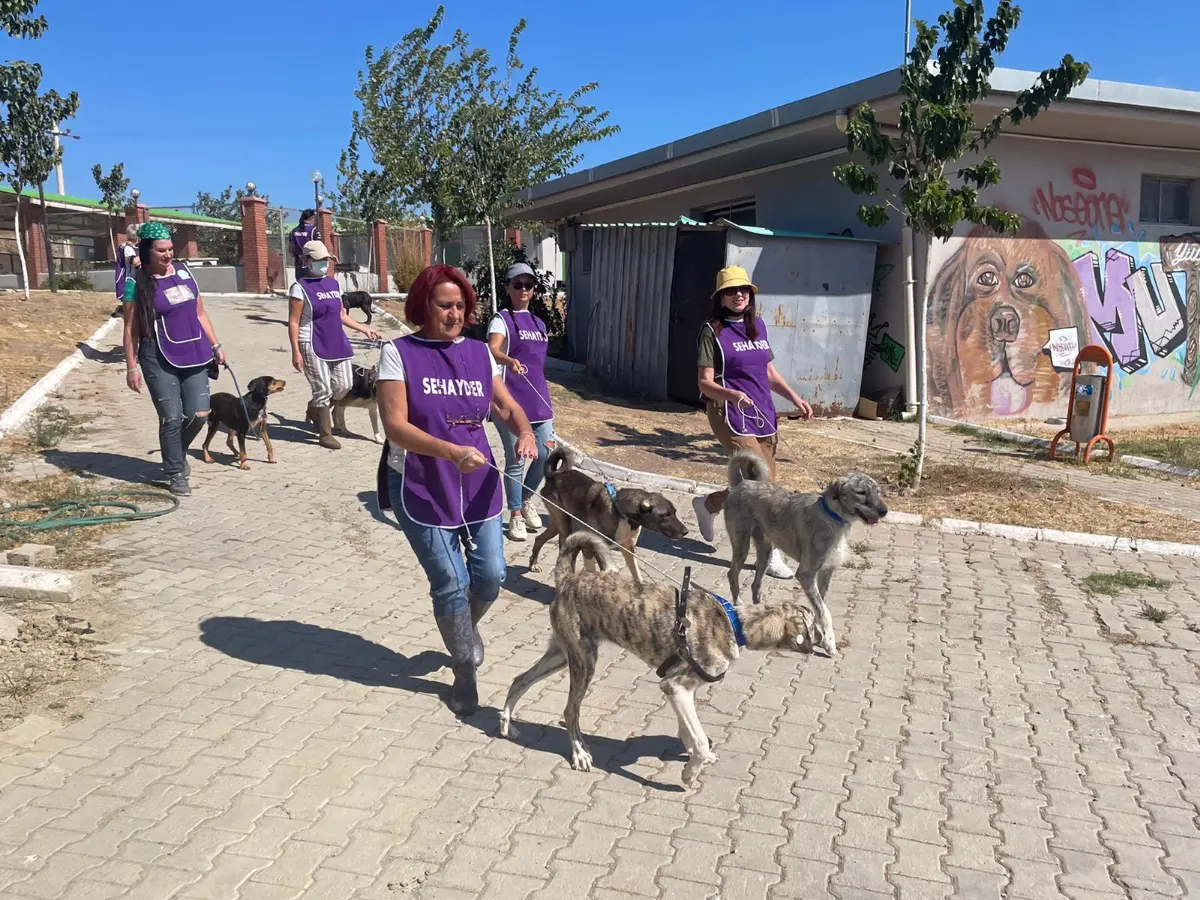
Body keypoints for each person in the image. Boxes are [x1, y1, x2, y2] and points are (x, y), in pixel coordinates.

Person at [376, 264, 537, 715]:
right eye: (444, 305)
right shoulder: (399, 353)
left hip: (478, 479)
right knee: (450, 581)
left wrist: (524, 431)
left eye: (460, 306)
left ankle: (463, 628)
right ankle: (464, 666)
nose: (453, 313)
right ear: (423, 305)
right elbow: (395, 426)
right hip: (421, 480)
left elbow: (504, 407)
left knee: (490, 575)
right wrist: (448, 452)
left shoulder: (480, 354)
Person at [691, 265, 813, 579]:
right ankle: (768, 556)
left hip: (763, 412)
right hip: (729, 414)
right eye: (731, 291)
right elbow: (704, 383)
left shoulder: (757, 325)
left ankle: (709, 505)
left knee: (757, 485)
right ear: (721, 297)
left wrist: (794, 398)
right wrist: (731, 394)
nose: (739, 295)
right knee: (765, 487)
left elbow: (769, 373)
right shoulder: (712, 332)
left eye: (744, 290)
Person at [122, 221, 227, 496]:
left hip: (195, 353)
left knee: (200, 414)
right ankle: (176, 471)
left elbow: (200, 313)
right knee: (171, 418)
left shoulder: (185, 272)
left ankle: (174, 454)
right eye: (161, 251)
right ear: (146, 252)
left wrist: (216, 345)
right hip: (156, 355)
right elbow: (129, 329)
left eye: (170, 249)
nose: (168, 255)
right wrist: (131, 366)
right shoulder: (136, 283)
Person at [486, 262, 556, 541]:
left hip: (540, 401)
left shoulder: (539, 323)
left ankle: (526, 501)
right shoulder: (501, 319)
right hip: (511, 402)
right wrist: (509, 359)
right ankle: (514, 514)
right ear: (508, 288)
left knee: (545, 455)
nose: (524, 289)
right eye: (518, 285)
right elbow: (492, 349)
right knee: (517, 459)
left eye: (529, 285)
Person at [287, 240, 381, 450]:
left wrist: (363, 328)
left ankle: (314, 408)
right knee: (322, 388)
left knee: (343, 385)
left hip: (336, 341)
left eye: (326, 260)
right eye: (320, 260)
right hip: (311, 342)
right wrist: (296, 351)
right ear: (307, 261)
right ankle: (325, 433)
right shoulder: (299, 288)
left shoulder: (333, 284)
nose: (324, 264)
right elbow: (293, 321)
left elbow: (341, 315)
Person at [111, 223, 140, 317]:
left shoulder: (134, 247)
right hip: (131, 279)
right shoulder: (127, 248)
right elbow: (134, 261)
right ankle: (123, 310)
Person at [289, 209, 320, 281]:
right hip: (312, 264)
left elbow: (290, 249)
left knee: (301, 285)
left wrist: (299, 257)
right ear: (312, 218)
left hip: (299, 263)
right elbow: (318, 249)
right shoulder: (313, 230)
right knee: (313, 286)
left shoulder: (293, 231)